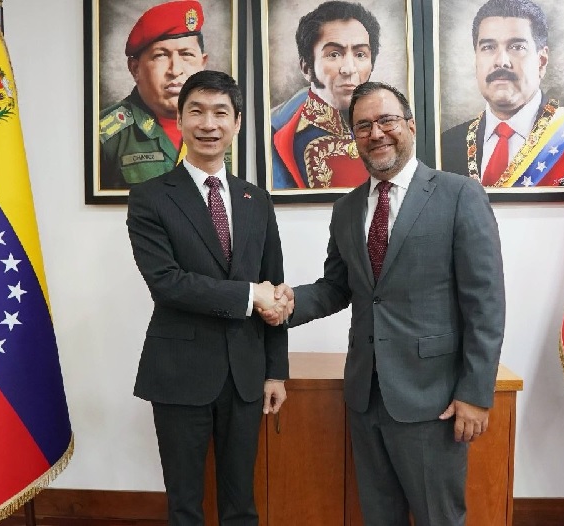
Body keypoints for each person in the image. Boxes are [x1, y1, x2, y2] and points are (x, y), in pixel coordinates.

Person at [263, 82, 505, 526]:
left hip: (433, 399)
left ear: (410, 126)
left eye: (386, 120)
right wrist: (291, 302)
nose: (376, 133)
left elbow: (485, 303)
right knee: (378, 517)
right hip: (365, 395)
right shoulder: (346, 208)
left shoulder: (459, 195)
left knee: (439, 518)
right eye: (363, 126)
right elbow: (338, 287)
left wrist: (474, 394)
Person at [127, 70, 292, 526]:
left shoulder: (257, 200)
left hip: (245, 375)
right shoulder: (150, 198)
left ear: (236, 123)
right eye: (196, 111)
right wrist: (250, 295)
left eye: (220, 113)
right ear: (180, 119)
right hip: (179, 373)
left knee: (241, 505)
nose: (208, 123)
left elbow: (274, 289)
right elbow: (167, 282)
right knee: (185, 506)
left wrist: (275, 371)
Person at [440, 0, 564, 188]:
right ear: (476, 60)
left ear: (542, 61)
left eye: (517, 47)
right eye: (488, 47)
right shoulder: (446, 145)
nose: (501, 61)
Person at [271, 1, 380, 190]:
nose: (349, 69)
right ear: (306, 67)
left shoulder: (388, 123)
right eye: (334, 54)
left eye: (360, 54)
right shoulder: (281, 134)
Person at [100, 0, 208, 190]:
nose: (175, 70)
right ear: (135, 68)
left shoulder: (225, 128)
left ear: (203, 63)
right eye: (161, 55)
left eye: (186, 55)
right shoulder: (104, 136)